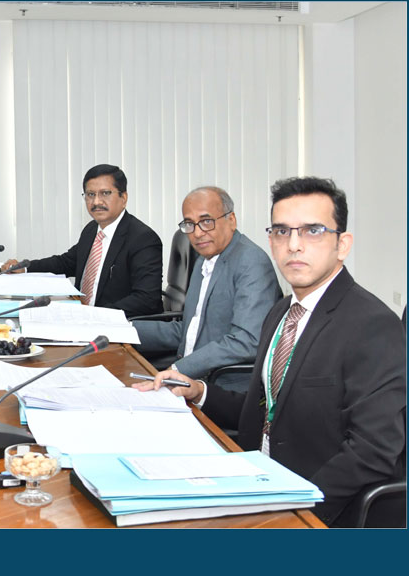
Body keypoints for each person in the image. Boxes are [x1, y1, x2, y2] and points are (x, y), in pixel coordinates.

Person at [135, 177, 406, 527]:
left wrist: (295, 510)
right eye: (281, 231)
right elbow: (266, 411)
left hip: (315, 508)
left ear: (342, 244)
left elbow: (373, 450)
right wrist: (199, 392)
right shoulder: (281, 312)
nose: (293, 245)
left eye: (312, 231)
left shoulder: (372, 325)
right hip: (257, 477)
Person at [133, 187, 281, 379]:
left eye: (206, 222)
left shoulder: (251, 262)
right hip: (191, 373)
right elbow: (190, 330)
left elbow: (247, 341)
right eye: (189, 224)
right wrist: (124, 329)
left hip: (222, 383)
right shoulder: (205, 259)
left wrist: (179, 369)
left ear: (231, 220)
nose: (197, 233)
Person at [2, 164, 162, 317]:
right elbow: (66, 263)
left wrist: (93, 314)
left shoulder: (143, 239)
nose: (96, 202)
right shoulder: (92, 229)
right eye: (90, 194)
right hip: (82, 316)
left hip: (115, 324)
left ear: (123, 198)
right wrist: (24, 268)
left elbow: (147, 299)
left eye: (105, 193)